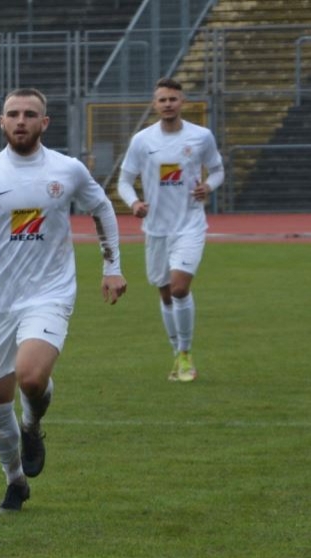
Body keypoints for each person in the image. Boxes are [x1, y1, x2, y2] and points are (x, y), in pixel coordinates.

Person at [0, 88, 127, 514]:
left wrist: (111, 266)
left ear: (45, 123)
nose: (20, 120)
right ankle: (14, 480)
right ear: (1, 122)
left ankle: (33, 423)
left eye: (30, 114)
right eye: (13, 114)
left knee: (30, 378)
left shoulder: (68, 170)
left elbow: (103, 210)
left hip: (50, 293)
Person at [117, 77, 224, 382]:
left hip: (189, 225)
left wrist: (208, 186)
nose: (167, 104)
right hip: (156, 229)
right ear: (155, 104)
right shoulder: (142, 141)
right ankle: (177, 352)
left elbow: (217, 170)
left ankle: (187, 353)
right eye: (162, 99)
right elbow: (124, 180)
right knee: (165, 295)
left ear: (182, 102)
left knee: (179, 288)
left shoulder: (201, 136)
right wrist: (134, 202)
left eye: (172, 99)